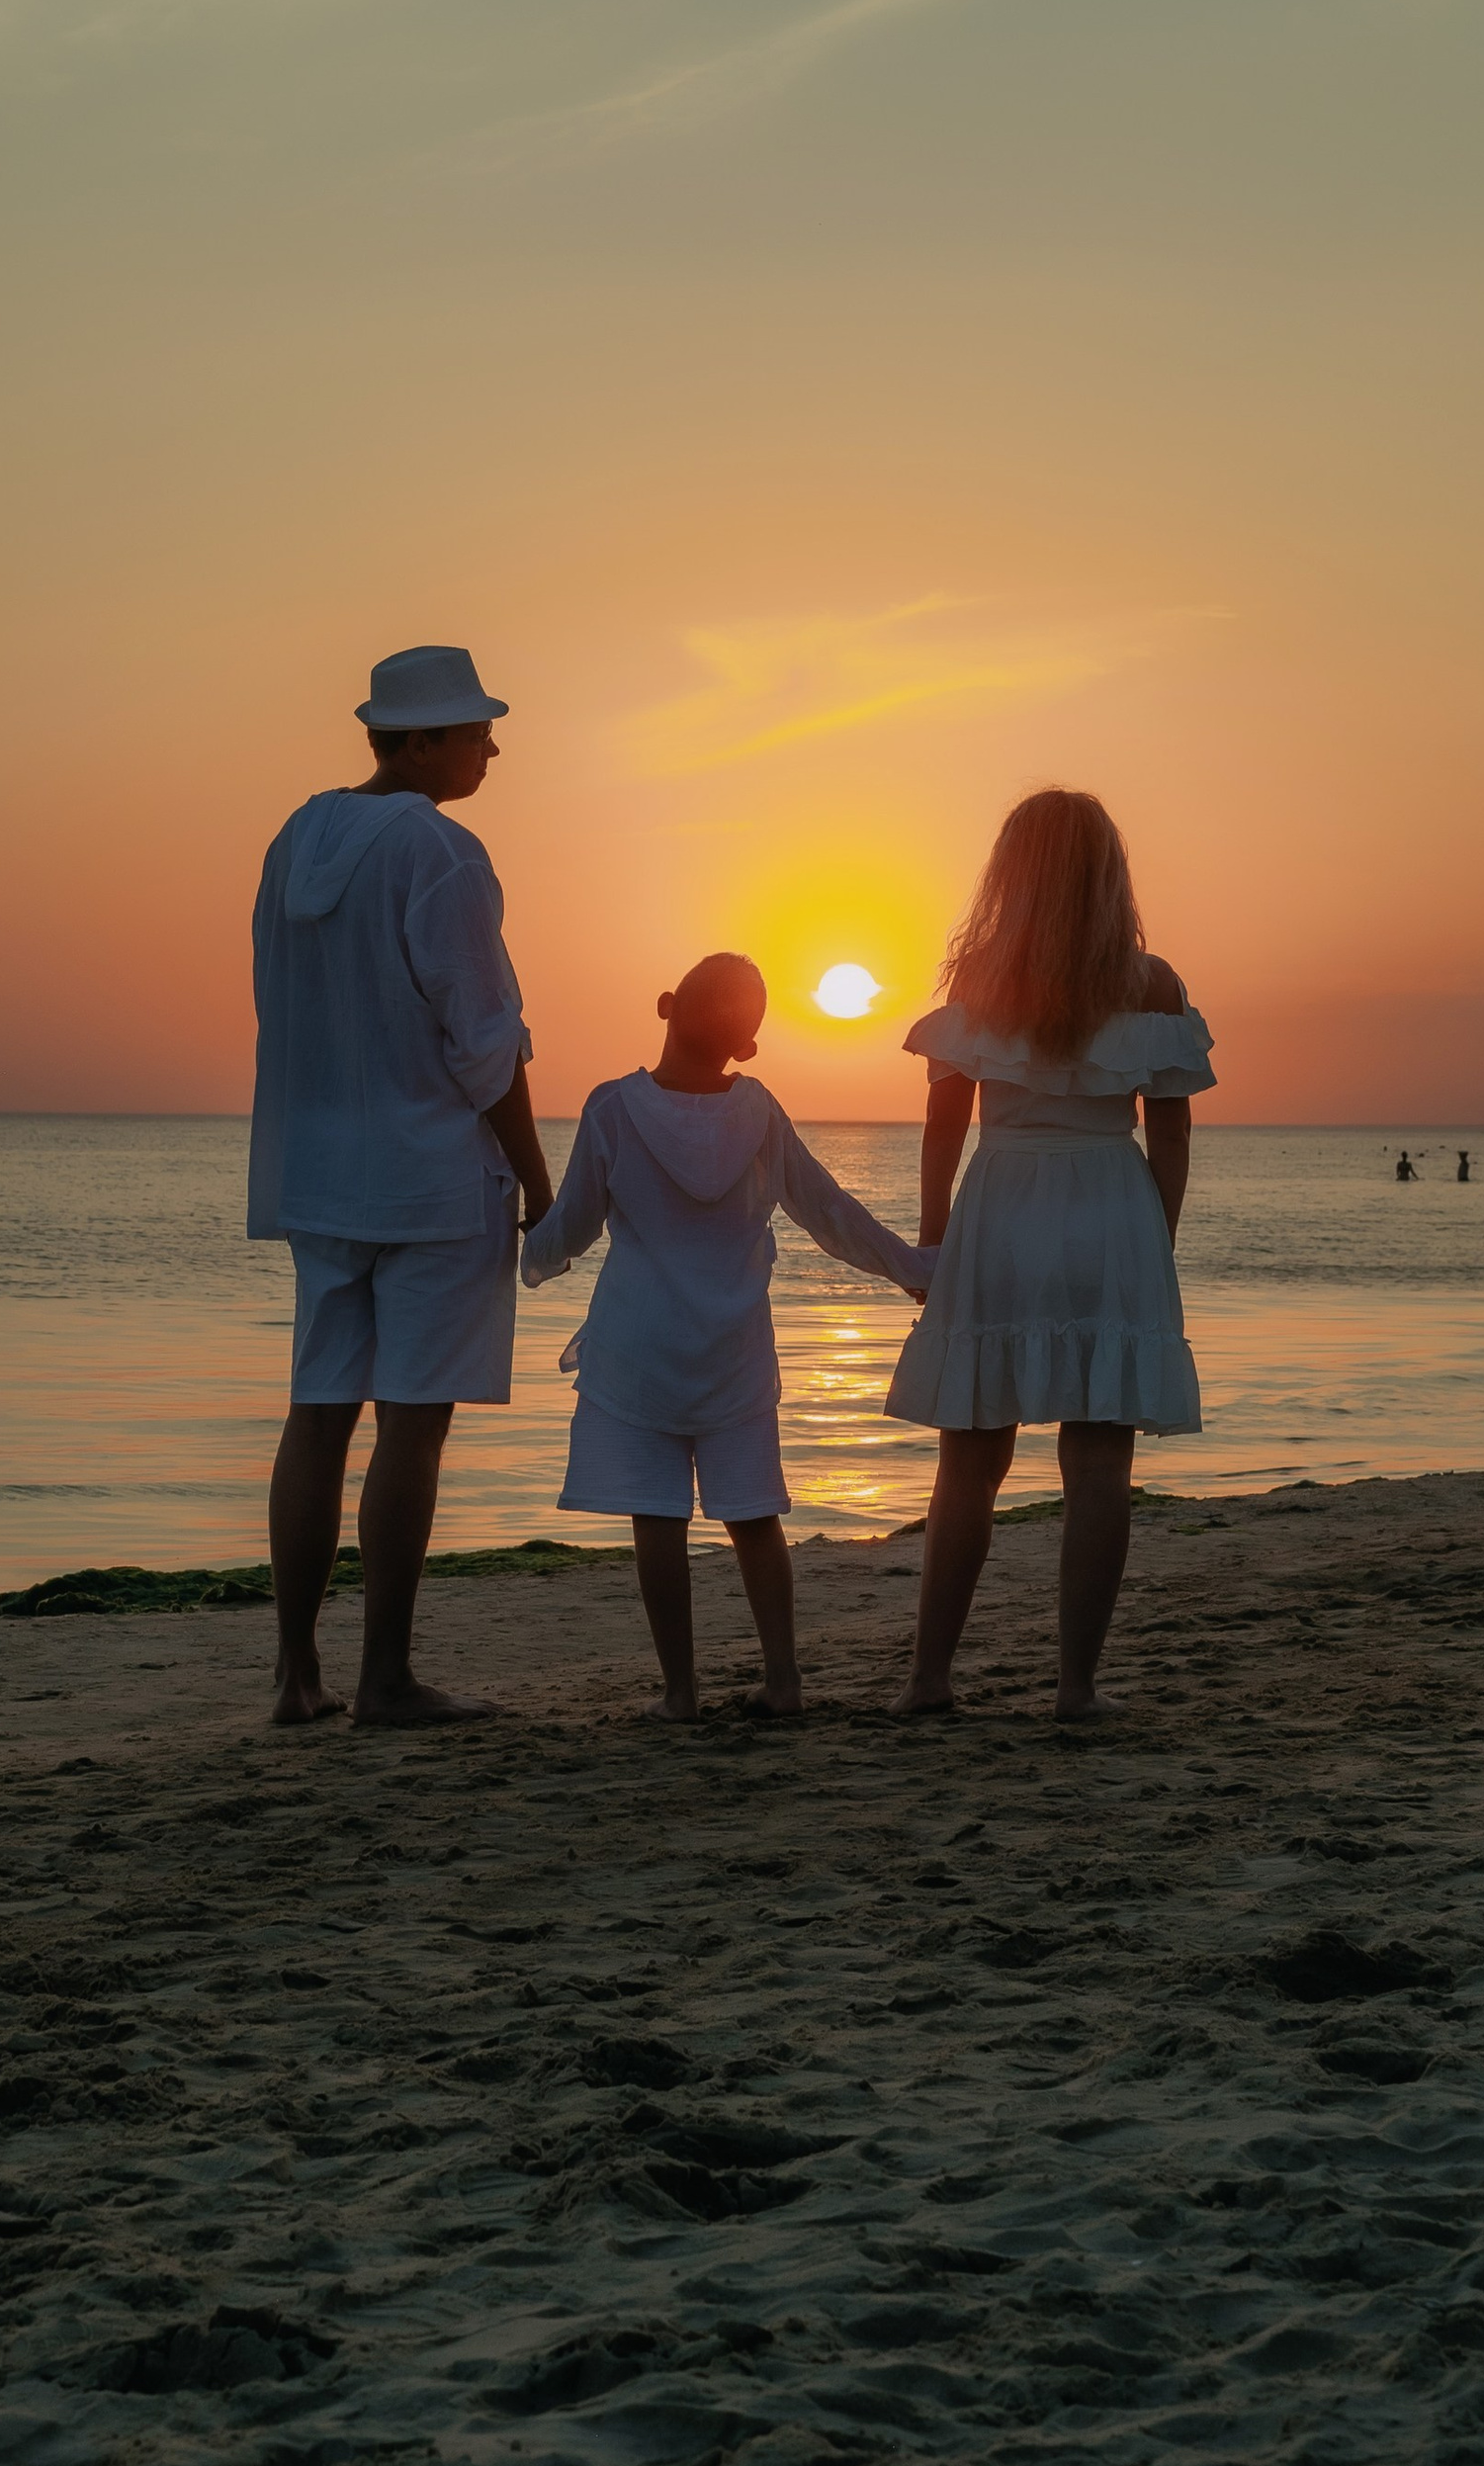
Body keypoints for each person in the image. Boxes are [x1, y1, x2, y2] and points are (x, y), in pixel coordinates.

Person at [248, 645, 554, 1728]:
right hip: (430, 1177)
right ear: (419, 740)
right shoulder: (441, 851)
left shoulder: (296, 839)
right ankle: (384, 1677)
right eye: (476, 733)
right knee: (411, 1430)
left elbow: (278, 1002)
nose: (491, 750)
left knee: (317, 1418)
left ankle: (296, 1674)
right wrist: (538, 1179)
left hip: (321, 1168)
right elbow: (485, 1041)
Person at [523, 953, 934, 1722]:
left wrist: (528, 1252)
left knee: (658, 1519)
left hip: (639, 1348)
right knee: (753, 1519)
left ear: (666, 1005)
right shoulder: (759, 1114)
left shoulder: (612, 1109)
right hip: (734, 1350)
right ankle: (783, 1681)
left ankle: (680, 1694)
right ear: (745, 1046)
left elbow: (572, 1226)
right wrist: (913, 1267)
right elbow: (830, 1213)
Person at [885, 789, 1214, 1722]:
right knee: (1100, 1467)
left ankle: (929, 1679)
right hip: (1110, 1206)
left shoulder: (983, 975)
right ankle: (1076, 1687)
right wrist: (1156, 1249)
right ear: (1109, 875)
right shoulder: (1152, 984)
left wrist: (934, 1243)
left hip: (1003, 1205)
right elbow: (1172, 1135)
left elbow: (943, 1128)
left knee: (969, 1462)